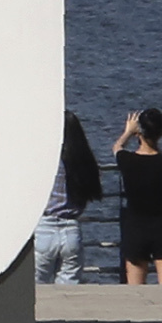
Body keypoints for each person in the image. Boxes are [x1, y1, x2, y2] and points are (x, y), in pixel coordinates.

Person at [115, 107, 162, 287]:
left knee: (136, 293)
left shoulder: (127, 161)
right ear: (161, 132)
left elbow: (117, 148)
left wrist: (128, 132)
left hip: (135, 228)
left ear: (139, 132)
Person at [37, 110, 106, 284]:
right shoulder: (83, 161)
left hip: (45, 228)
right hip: (72, 229)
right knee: (68, 290)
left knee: (38, 291)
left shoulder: (46, 161)